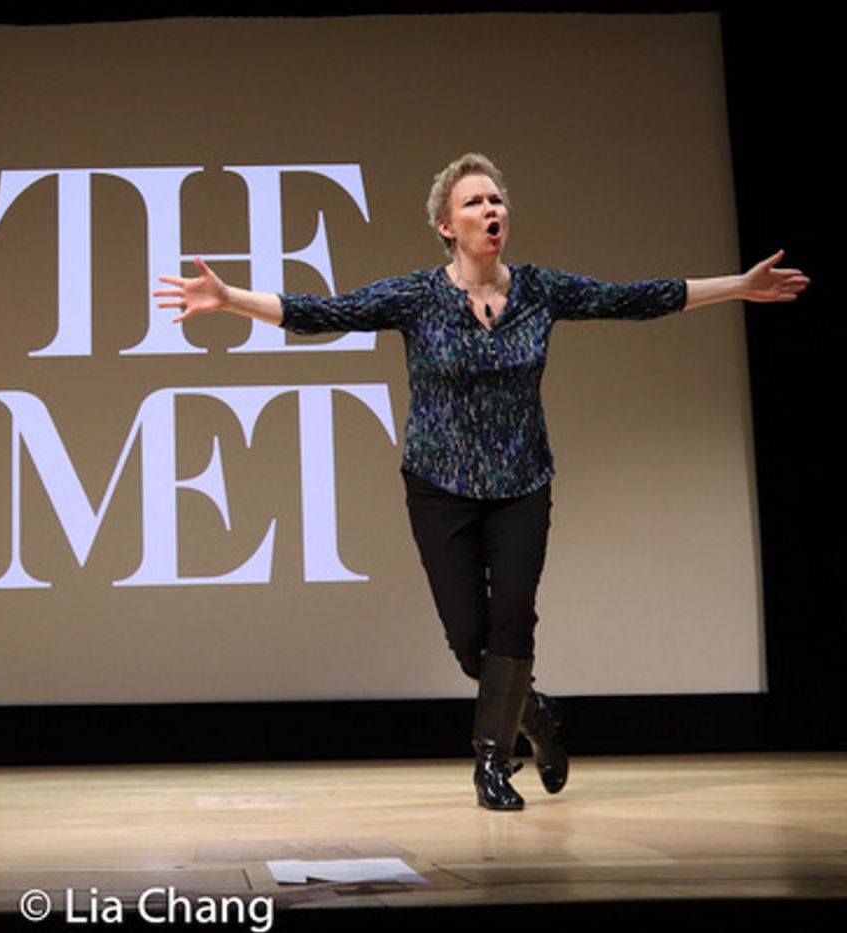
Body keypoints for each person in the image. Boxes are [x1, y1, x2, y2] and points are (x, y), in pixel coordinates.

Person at [155, 153, 807, 810]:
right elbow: (326, 310)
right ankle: (540, 718)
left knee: (514, 619)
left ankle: (491, 764)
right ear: (446, 225)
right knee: (472, 640)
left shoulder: (539, 290)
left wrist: (737, 286)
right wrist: (229, 298)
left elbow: (634, 298)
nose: (491, 210)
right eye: (475, 202)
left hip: (522, 483)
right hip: (440, 487)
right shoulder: (417, 296)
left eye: (496, 201)